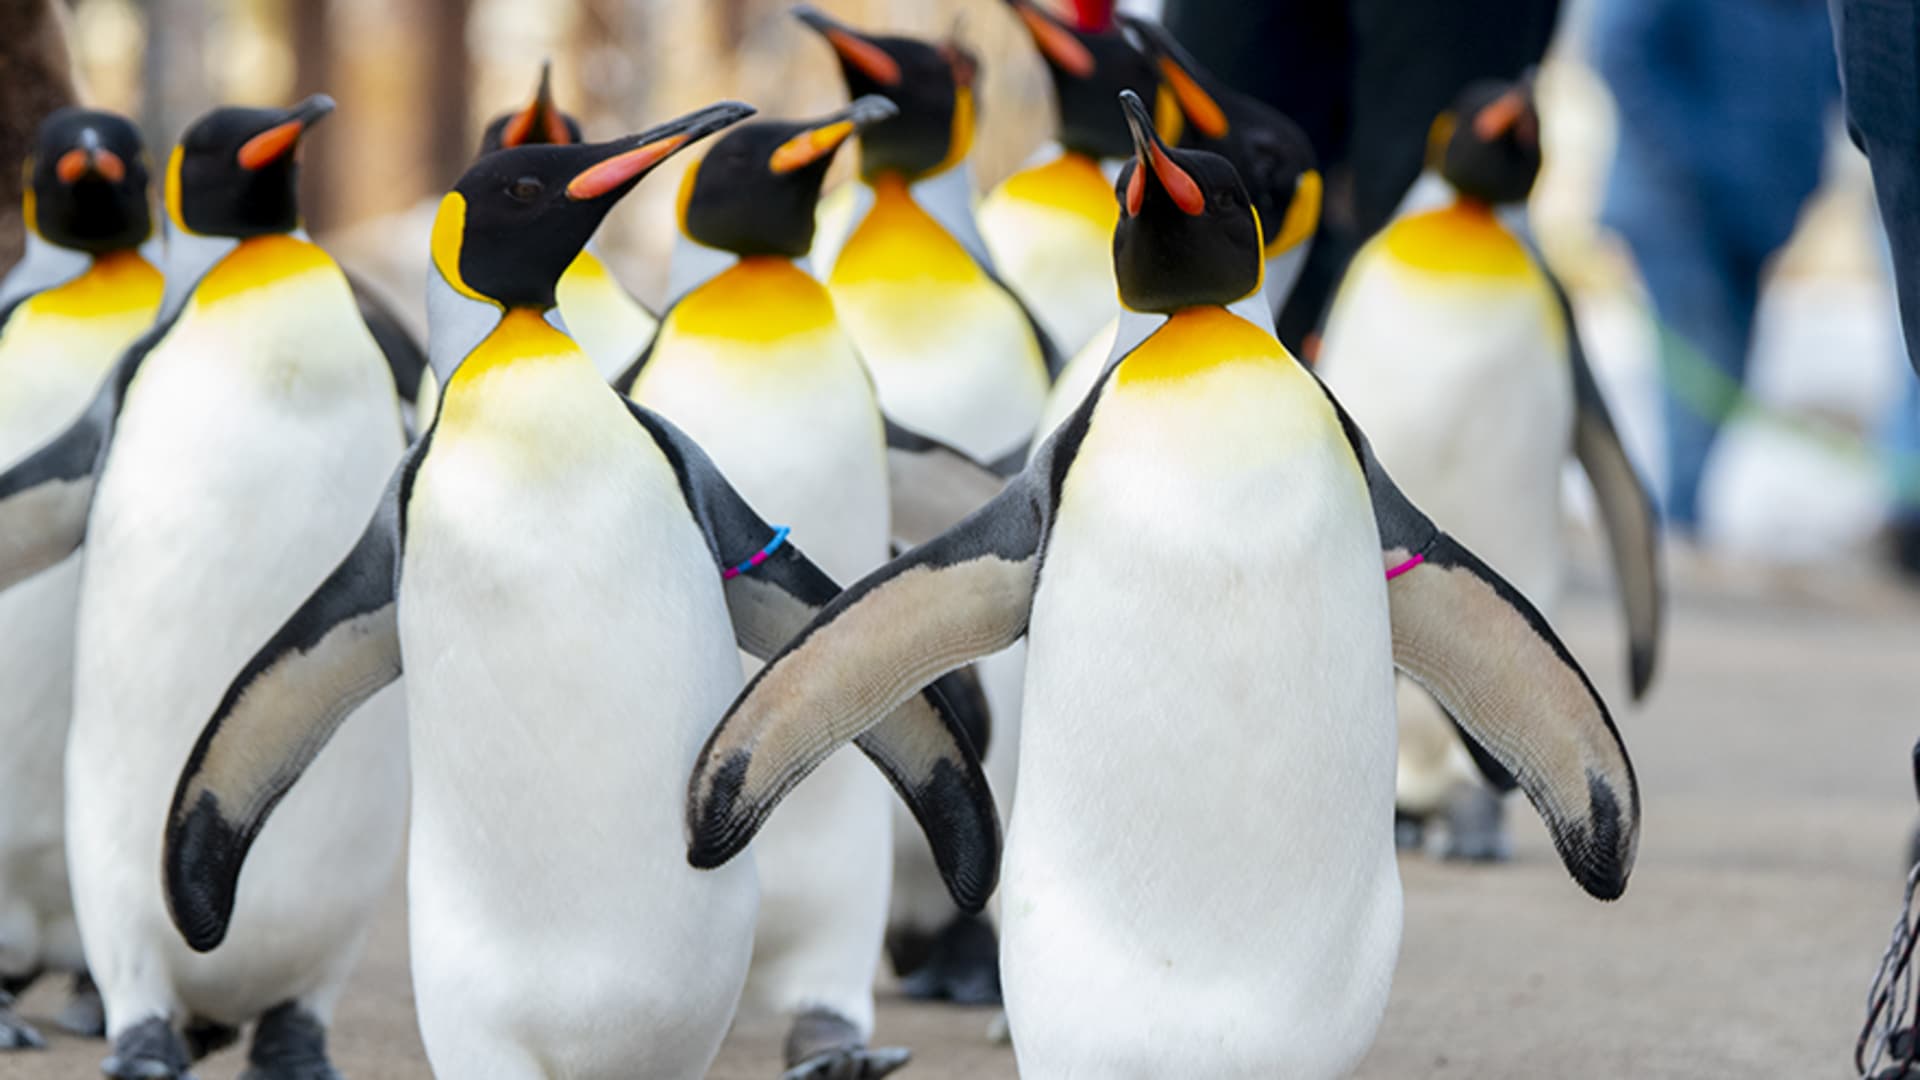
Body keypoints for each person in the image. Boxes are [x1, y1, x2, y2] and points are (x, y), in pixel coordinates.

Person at [1593, 0, 1838, 537]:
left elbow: (1841, 78)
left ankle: (1675, 527)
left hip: (1758, 214)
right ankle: (1671, 532)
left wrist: (1799, 177)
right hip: (1676, 209)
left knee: (1722, 373)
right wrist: (1690, 161)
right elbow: (1618, 50)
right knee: (1699, 369)